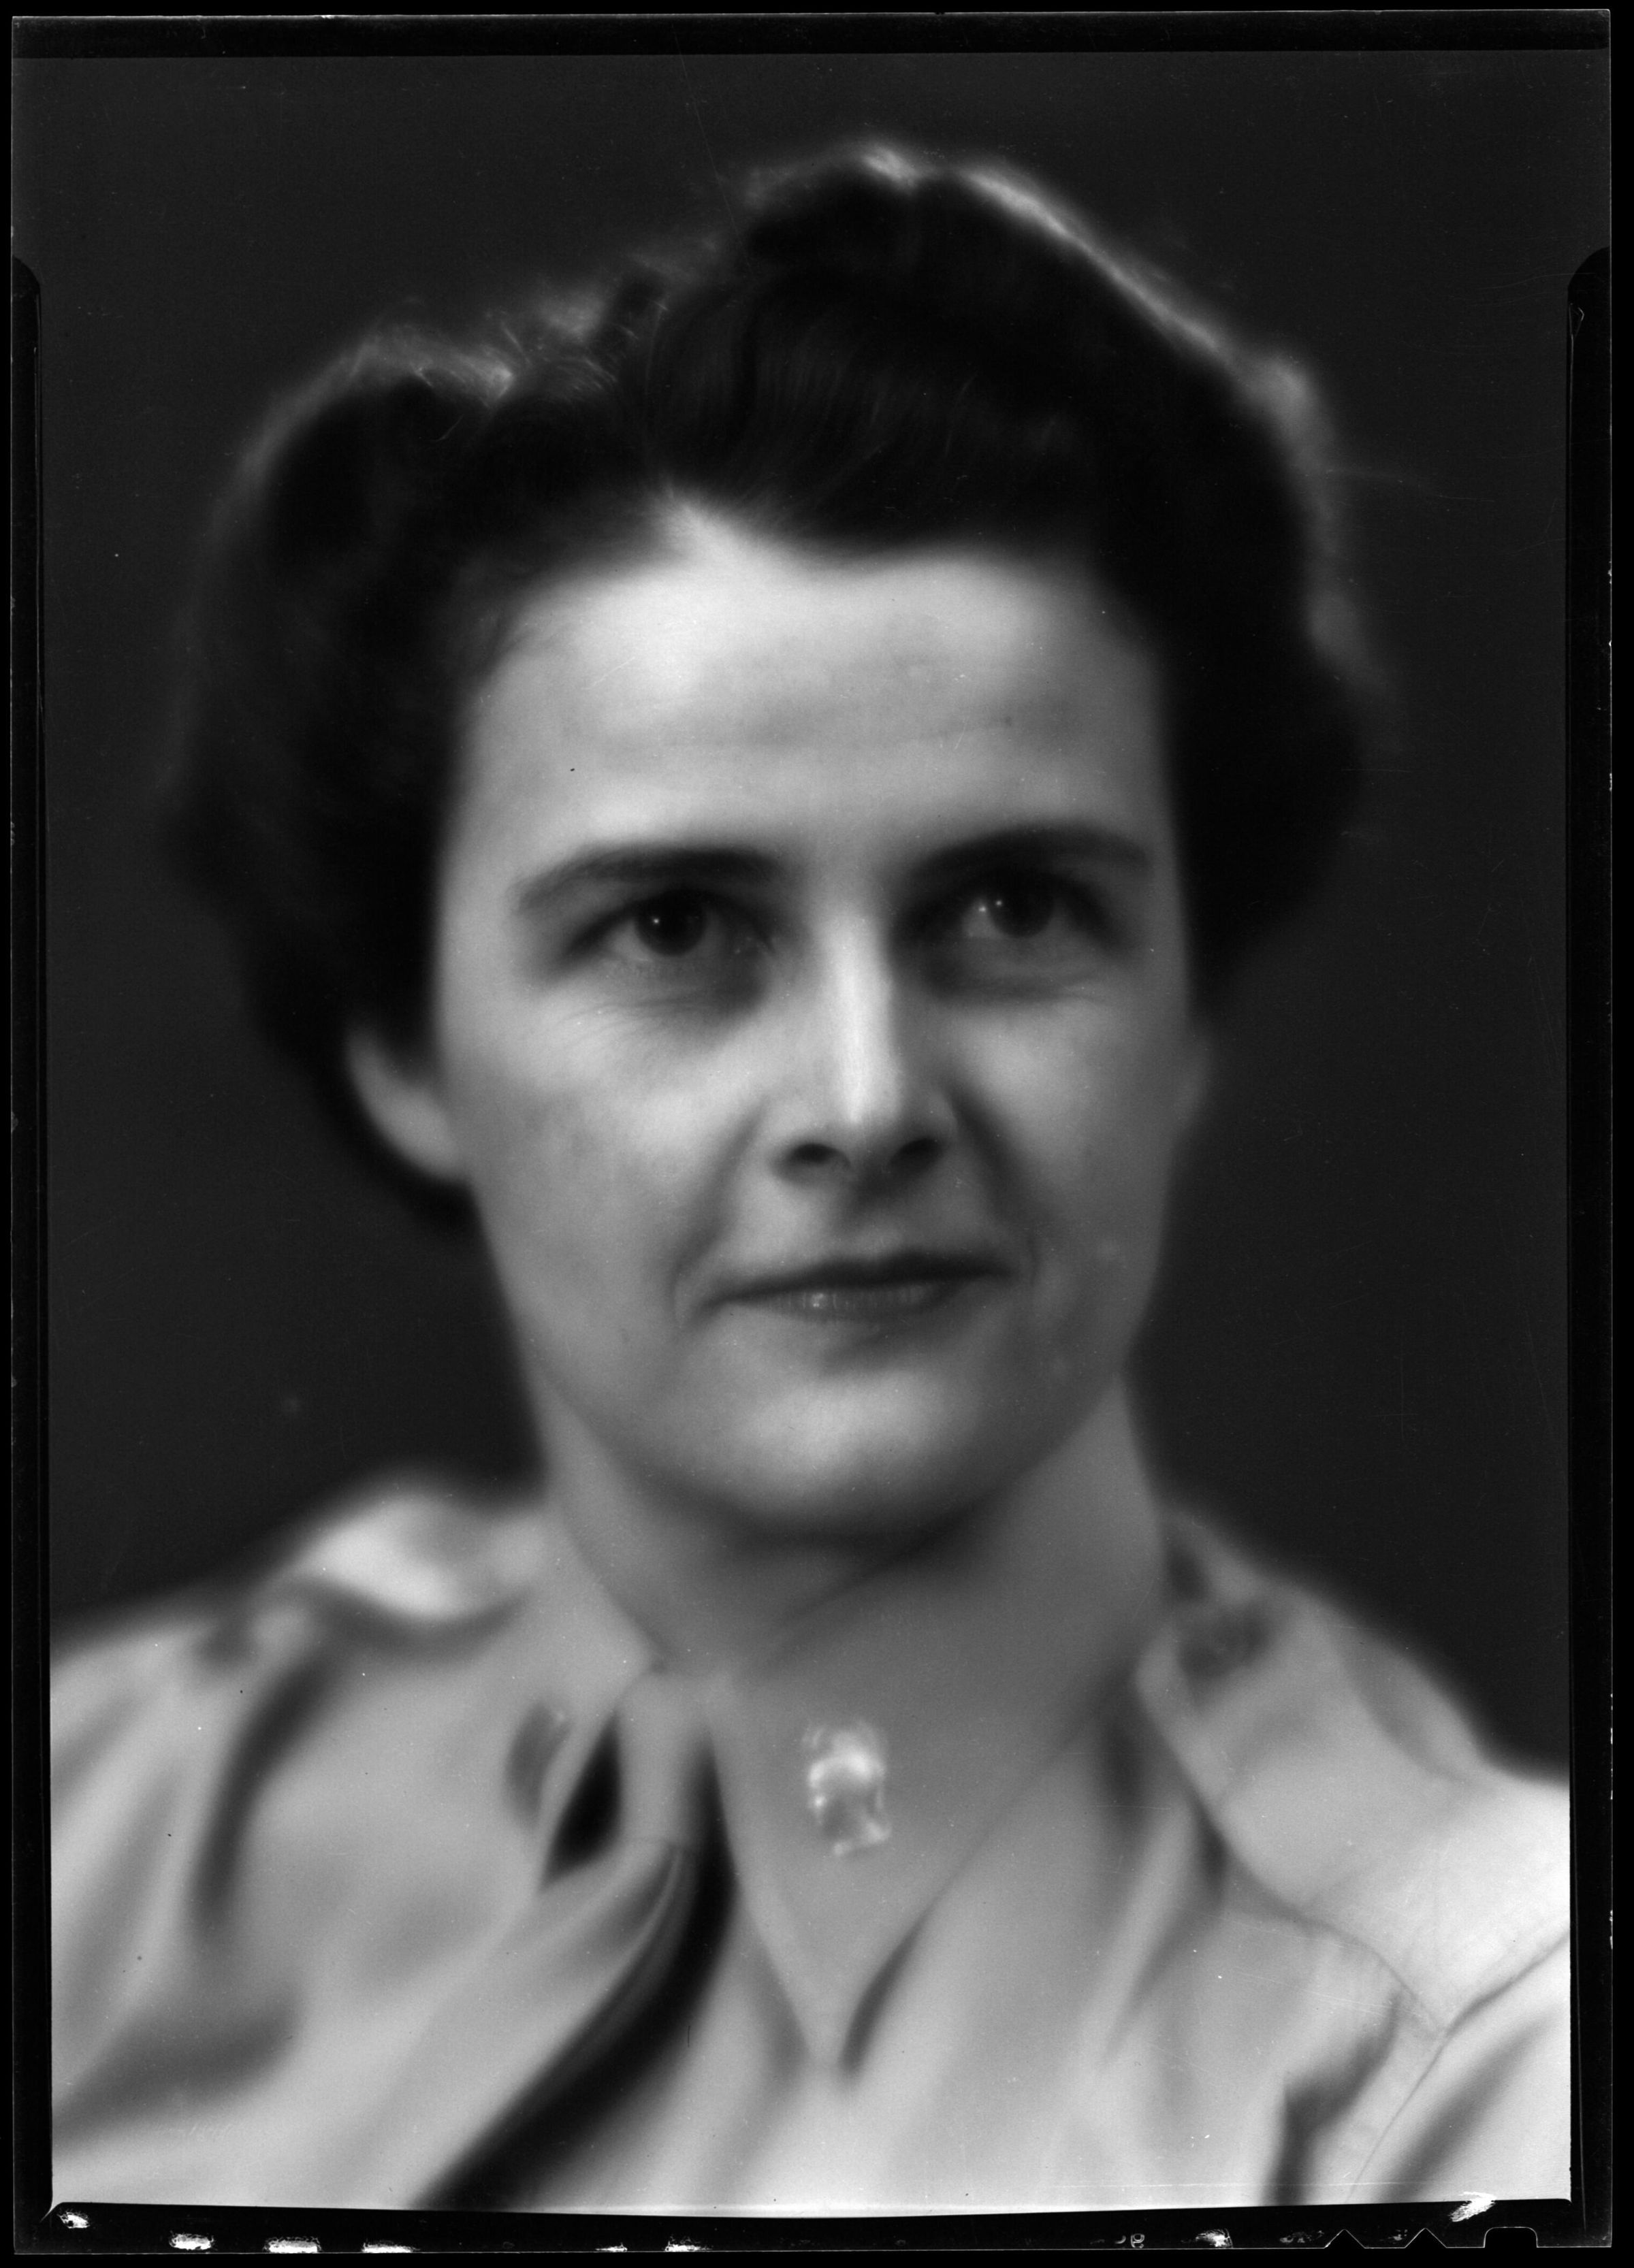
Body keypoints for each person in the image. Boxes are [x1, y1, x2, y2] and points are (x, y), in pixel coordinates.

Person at [50, 143, 1570, 2216]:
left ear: (1188, 1008)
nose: (867, 1103)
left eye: (1016, 907)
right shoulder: (109, 1822)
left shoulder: (1481, 2062)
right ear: (402, 1044)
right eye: (676, 928)